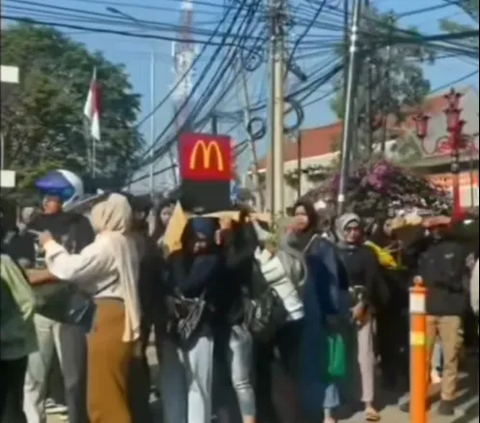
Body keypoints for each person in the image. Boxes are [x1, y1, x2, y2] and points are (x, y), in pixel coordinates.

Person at [33, 193, 142, 423]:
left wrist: (50, 245)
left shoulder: (108, 242)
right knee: (112, 389)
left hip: (108, 314)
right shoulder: (127, 241)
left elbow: (71, 269)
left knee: (104, 396)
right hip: (119, 313)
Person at [24, 193, 94, 423]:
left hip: (70, 312)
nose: (45, 201)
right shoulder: (34, 225)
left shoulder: (80, 224)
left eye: (51, 197)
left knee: (74, 379)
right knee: (34, 378)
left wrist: (42, 275)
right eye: (42, 196)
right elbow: (22, 265)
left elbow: (78, 266)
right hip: (39, 310)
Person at [283, 200, 347, 423]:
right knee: (299, 362)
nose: (300, 218)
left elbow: (332, 282)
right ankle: (305, 409)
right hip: (290, 310)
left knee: (321, 361)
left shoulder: (321, 245)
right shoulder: (285, 242)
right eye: (296, 213)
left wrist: (331, 311)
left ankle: (328, 412)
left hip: (315, 307)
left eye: (304, 214)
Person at [161, 217, 222, 423]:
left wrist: (177, 258)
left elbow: (187, 284)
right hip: (171, 328)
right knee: (172, 385)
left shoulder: (212, 260)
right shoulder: (175, 257)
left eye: (203, 240)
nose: (197, 245)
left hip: (201, 329)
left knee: (198, 387)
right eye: (193, 239)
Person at [414, 219, 468, 416]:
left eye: (439, 227)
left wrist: (430, 278)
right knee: (421, 357)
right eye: (432, 228)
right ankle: (419, 396)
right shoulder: (425, 248)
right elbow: (408, 250)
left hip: (450, 311)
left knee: (450, 357)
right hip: (426, 311)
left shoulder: (458, 247)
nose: (435, 231)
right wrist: (422, 228)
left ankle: (447, 398)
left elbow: (456, 277)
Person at [335, 213, 384, 422]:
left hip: (363, 307)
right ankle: (345, 398)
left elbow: (372, 280)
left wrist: (362, 304)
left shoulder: (367, 253)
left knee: (365, 355)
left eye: (356, 229)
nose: (352, 233)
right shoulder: (333, 252)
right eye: (348, 229)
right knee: (341, 356)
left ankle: (368, 402)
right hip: (339, 309)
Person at [219, 214, 258, 423]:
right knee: (221, 380)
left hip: (236, 323)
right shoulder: (212, 251)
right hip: (214, 325)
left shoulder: (242, 253)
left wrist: (229, 236)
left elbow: (233, 265)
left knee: (241, 381)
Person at [1, 250, 38, 423]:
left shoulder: (4, 263)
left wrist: (5, 334)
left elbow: (27, 302)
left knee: (10, 412)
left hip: (11, 352)